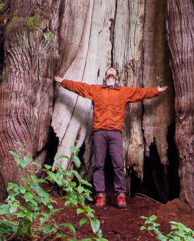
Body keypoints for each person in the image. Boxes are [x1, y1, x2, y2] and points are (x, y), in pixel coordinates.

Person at [54, 67, 168, 208]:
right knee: (99, 164)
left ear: (116, 77)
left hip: (115, 132)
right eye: (109, 70)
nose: (112, 71)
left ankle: (120, 195)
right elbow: (80, 88)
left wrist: (156, 90)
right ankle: (100, 195)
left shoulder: (123, 92)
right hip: (99, 132)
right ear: (105, 76)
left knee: (118, 164)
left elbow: (139, 93)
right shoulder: (96, 90)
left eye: (114, 71)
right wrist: (64, 82)